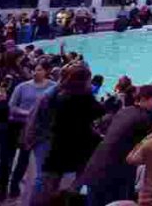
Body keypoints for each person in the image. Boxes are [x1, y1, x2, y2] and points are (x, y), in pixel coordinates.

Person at [78, 83, 152, 206]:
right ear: (143, 99)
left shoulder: (124, 111)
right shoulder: (143, 118)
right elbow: (145, 146)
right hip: (116, 174)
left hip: (96, 166)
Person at [40, 63, 107, 201]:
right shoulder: (85, 97)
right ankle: (71, 195)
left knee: (54, 174)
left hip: (59, 140)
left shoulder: (61, 94)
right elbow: (99, 111)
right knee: (84, 171)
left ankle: (51, 199)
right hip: (81, 140)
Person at [0, 58, 55, 200]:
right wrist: (29, 113)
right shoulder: (22, 87)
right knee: (8, 158)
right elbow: (12, 106)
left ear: (47, 71)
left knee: (23, 160)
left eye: (39, 69)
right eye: (35, 69)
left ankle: (14, 187)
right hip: (17, 125)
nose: (36, 72)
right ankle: (2, 190)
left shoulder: (53, 87)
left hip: (35, 129)